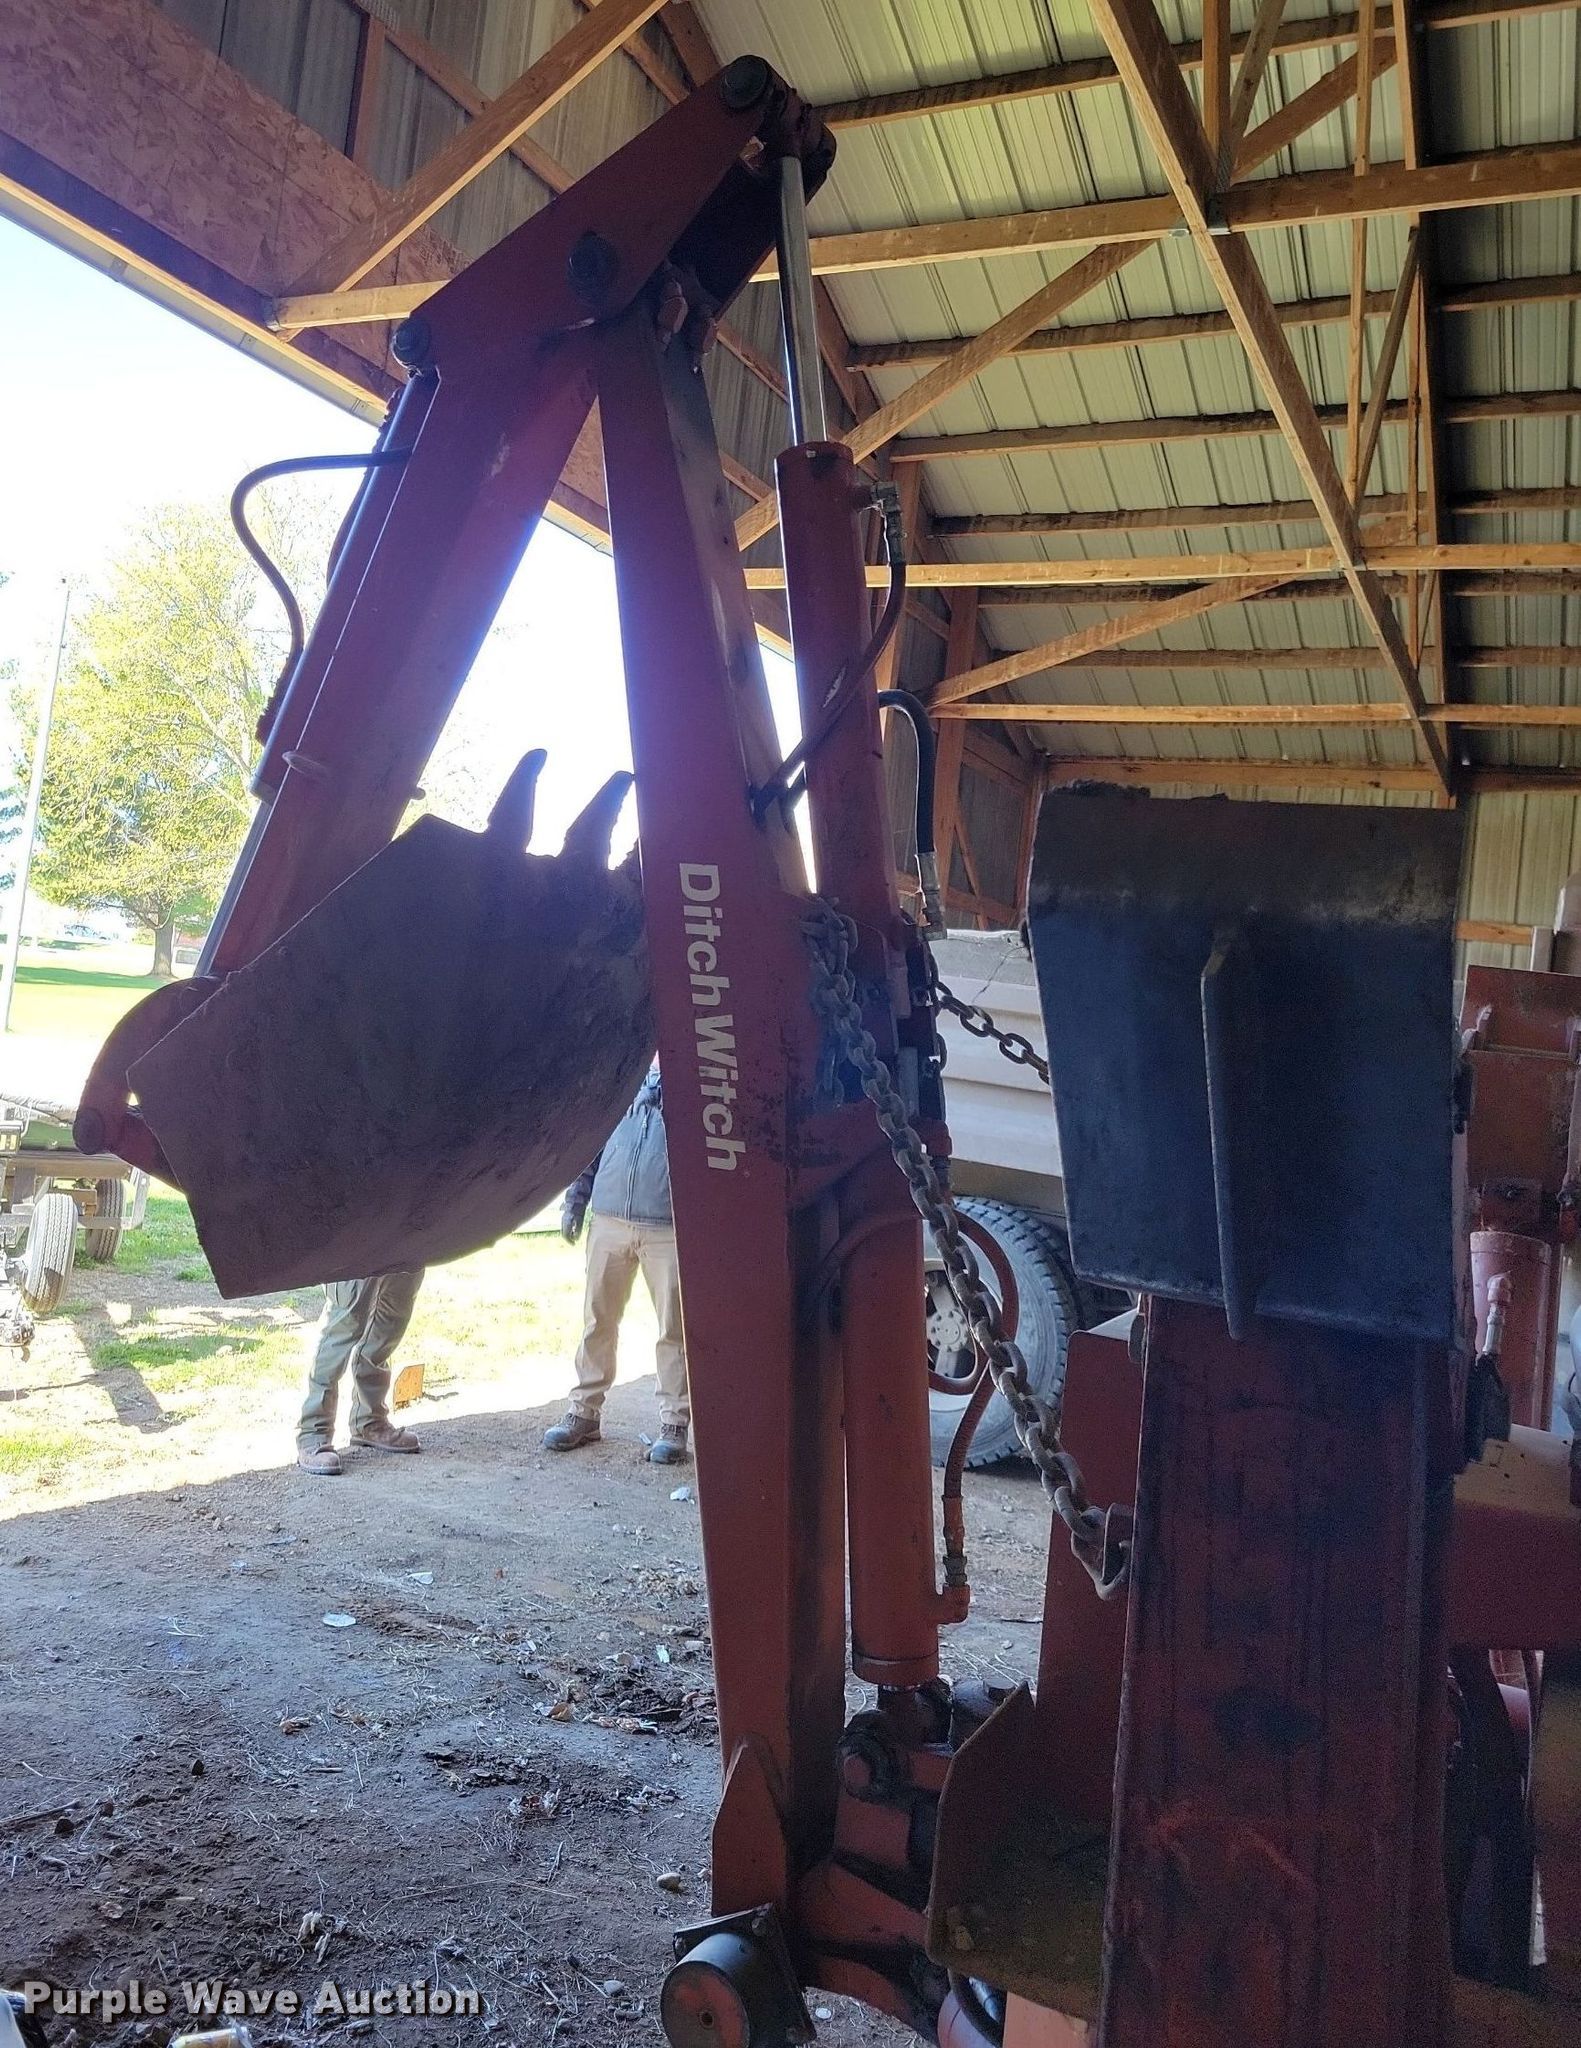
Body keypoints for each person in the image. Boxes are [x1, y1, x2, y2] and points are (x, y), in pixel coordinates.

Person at [545, 1067, 689, 1463]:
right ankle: (583, 1413)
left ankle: (674, 1424)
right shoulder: (621, 1074)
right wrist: (575, 1202)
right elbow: (590, 1144)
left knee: (674, 1329)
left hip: (668, 1227)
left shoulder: (690, 1075)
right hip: (609, 1221)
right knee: (598, 1321)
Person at [296, 1269, 425, 1476]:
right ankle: (313, 1433)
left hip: (404, 1247)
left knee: (391, 1319)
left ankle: (369, 1421)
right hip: (353, 1249)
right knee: (345, 1322)